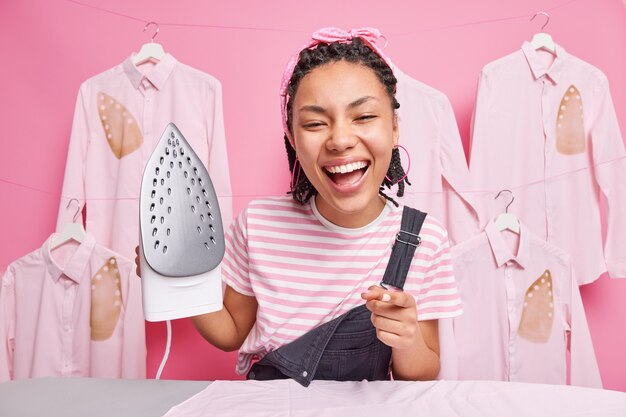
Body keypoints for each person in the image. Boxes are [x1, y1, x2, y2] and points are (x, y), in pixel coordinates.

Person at [136, 27, 462, 385]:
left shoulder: (423, 239)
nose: (340, 140)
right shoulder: (258, 225)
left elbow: (424, 371)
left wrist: (407, 338)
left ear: (395, 127)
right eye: (315, 123)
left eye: (364, 117)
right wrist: (181, 276)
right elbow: (229, 334)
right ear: (292, 136)